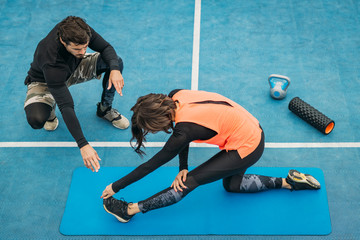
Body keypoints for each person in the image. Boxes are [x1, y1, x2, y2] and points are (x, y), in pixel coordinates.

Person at [101, 89, 320, 222]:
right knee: (232, 186)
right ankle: (290, 182)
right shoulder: (175, 96)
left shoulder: (183, 131)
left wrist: (116, 186)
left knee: (187, 184)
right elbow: (183, 133)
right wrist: (182, 167)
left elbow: (153, 164)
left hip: (248, 146)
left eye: (154, 128)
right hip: (252, 129)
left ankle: (129, 210)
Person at [24, 16, 129, 172]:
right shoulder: (50, 59)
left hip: (74, 67)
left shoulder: (78, 29)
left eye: (85, 47)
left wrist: (114, 69)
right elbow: (66, 105)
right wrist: (83, 144)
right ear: (62, 41)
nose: (83, 51)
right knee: (36, 120)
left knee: (115, 61)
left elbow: (106, 48)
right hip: (46, 81)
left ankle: (105, 109)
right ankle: (49, 111)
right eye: (77, 49)